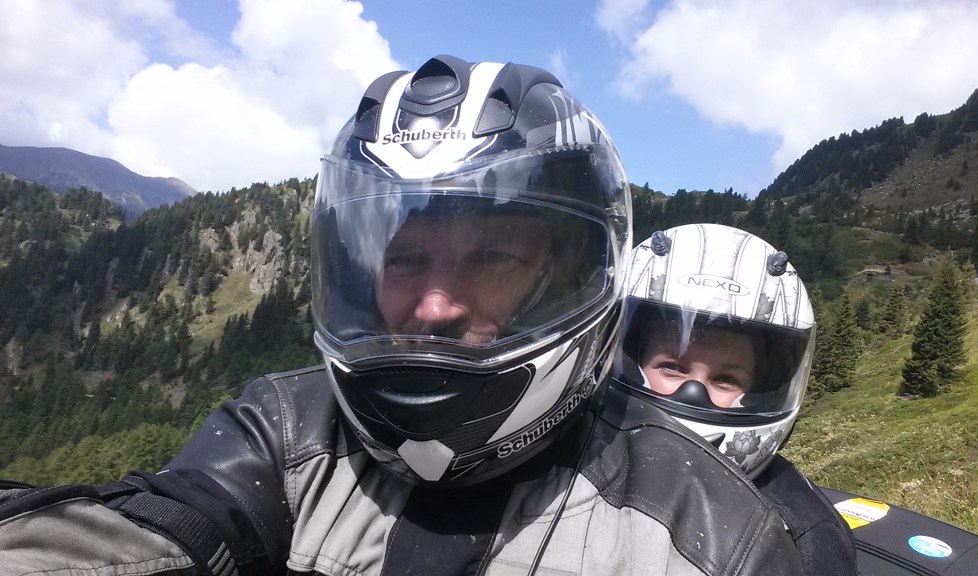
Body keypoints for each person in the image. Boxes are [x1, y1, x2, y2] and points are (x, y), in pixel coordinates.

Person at [0, 56, 803, 575]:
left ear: (572, 278)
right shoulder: (287, 432)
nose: (432, 306)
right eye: (406, 261)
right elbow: (162, 526)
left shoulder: (703, 524)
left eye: (490, 258)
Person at [611, 223, 858, 575]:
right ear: (628, 362)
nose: (693, 393)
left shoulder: (808, 538)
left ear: (758, 393)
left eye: (725, 380)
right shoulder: (571, 455)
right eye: (672, 367)